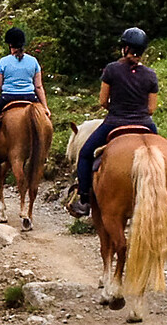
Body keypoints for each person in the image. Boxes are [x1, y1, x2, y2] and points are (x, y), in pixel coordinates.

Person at [65, 27, 159, 216]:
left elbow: (102, 101)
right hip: (145, 123)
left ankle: (84, 199)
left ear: (125, 48)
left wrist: (116, 109)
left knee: (84, 154)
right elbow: (151, 109)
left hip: (115, 122)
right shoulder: (150, 75)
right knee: (159, 157)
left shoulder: (112, 69)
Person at [0, 26, 47, 164]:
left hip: (8, 98)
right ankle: (45, 154)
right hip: (30, 97)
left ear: (10, 45)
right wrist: (45, 107)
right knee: (44, 121)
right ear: (23, 44)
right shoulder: (33, 61)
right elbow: (39, 86)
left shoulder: (4, 61)